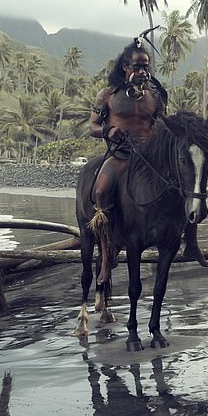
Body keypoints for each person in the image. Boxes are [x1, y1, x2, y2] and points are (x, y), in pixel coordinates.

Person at [87, 39, 166, 286]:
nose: (142, 72)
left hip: (150, 159)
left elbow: (163, 124)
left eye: (146, 67)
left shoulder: (155, 96)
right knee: (101, 191)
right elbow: (92, 127)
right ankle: (106, 254)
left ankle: (187, 239)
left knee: (183, 184)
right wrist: (108, 131)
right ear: (125, 67)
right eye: (137, 66)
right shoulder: (108, 95)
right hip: (120, 156)